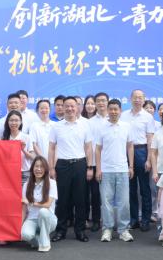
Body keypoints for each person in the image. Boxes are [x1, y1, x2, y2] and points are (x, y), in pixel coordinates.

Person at [49, 96, 94, 242]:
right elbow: (51, 148)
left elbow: (88, 148)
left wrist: (89, 167)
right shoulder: (56, 127)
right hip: (62, 165)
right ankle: (60, 231)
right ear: (62, 107)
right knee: (62, 200)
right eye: (66, 106)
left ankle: (80, 231)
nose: (69, 108)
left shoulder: (85, 125)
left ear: (77, 108)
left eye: (72, 106)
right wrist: (51, 167)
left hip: (80, 164)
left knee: (80, 199)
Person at [95, 99, 134, 242]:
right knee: (106, 202)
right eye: (110, 109)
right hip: (106, 170)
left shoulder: (126, 126)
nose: (113, 112)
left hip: (123, 169)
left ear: (120, 110)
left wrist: (131, 166)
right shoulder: (101, 127)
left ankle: (123, 229)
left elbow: (130, 146)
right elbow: (97, 149)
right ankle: (107, 229)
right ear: (107, 110)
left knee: (124, 202)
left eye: (116, 109)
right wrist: (98, 169)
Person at [120, 89, 155, 232]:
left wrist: (149, 159)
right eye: (135, 97)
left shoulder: (148, 117)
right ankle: (133, 219)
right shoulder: (123, 115)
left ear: (144, 99)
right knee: (130, 189)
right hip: (126, 151)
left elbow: (150, 139)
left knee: (145, 188)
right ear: (130, 99)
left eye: (140, 97)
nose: (137, 100)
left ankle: (145, 219)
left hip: (142, 151)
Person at [21, 156, 58, 252]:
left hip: (48, 219)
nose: (38, 169)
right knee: (25, 235)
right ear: (32, 168)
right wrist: (20, 225)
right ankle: (41, 239)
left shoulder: (52, 183)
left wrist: (31, 203)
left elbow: (47, 205)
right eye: (36, 166)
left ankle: (45, 245)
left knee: (43, 211)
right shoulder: (26, 185)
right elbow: (24, 208)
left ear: (45, 169)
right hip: (32, 219)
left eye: (41, 167)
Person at [84, 92, 109, 232]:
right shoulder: (89, 122)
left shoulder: (114, 119)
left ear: (107, 102)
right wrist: (90, 165)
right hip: (94, 163)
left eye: (103, 100)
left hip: (111, 164)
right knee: (95, 194)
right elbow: (88, 145)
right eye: (98, 101)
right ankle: (95, 220)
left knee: (109, 195)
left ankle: (110, 221)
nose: (101, 103)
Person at [3, 110, 35, 185]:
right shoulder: (4, 139)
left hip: (24, 173)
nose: (14, 123)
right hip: (9, 173)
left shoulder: (27, 137)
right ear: (8, 122)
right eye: (11, 120)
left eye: (16, 120)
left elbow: (33, 157)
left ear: (20, 122)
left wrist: (23, 150)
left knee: (24, 192)